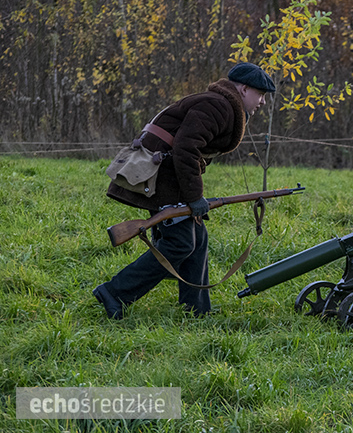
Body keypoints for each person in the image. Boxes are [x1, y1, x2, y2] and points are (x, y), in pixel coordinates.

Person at [93, 62, 275, 319]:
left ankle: (197, 309)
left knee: (197, 240)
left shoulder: (219, 103)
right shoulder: (218, 106)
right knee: (179, 244)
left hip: (168, 174)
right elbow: (185, 149)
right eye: (261, 94)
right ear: (244, 89)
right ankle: (114, 292)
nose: (263, 102)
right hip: (163, 176)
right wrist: (194, 197)